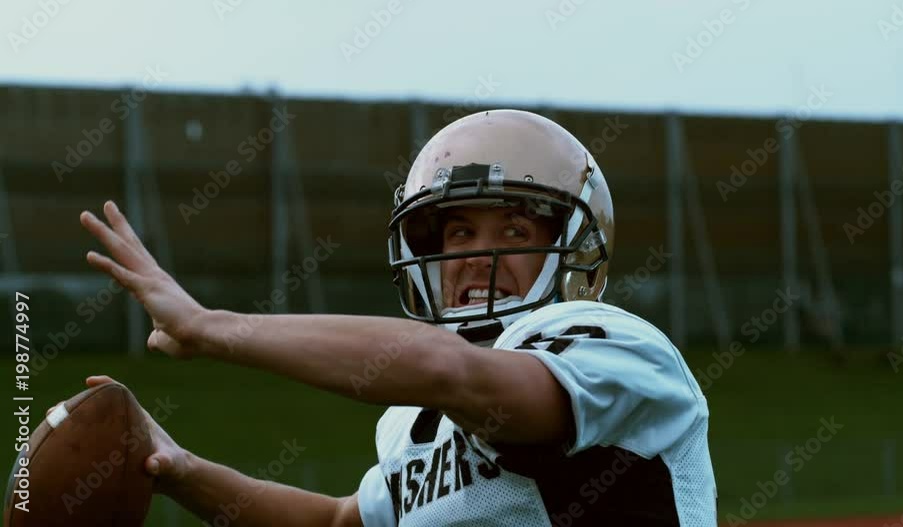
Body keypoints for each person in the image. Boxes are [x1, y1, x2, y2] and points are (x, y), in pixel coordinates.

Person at [70, 109, 717, 526]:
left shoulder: (618, 346)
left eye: (514, 230)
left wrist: (208, 326)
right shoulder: (413, 420)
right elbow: (335, 523)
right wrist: (180, 468)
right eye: (458, 233)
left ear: (574, 248)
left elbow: (452, 372)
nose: (477, 255)